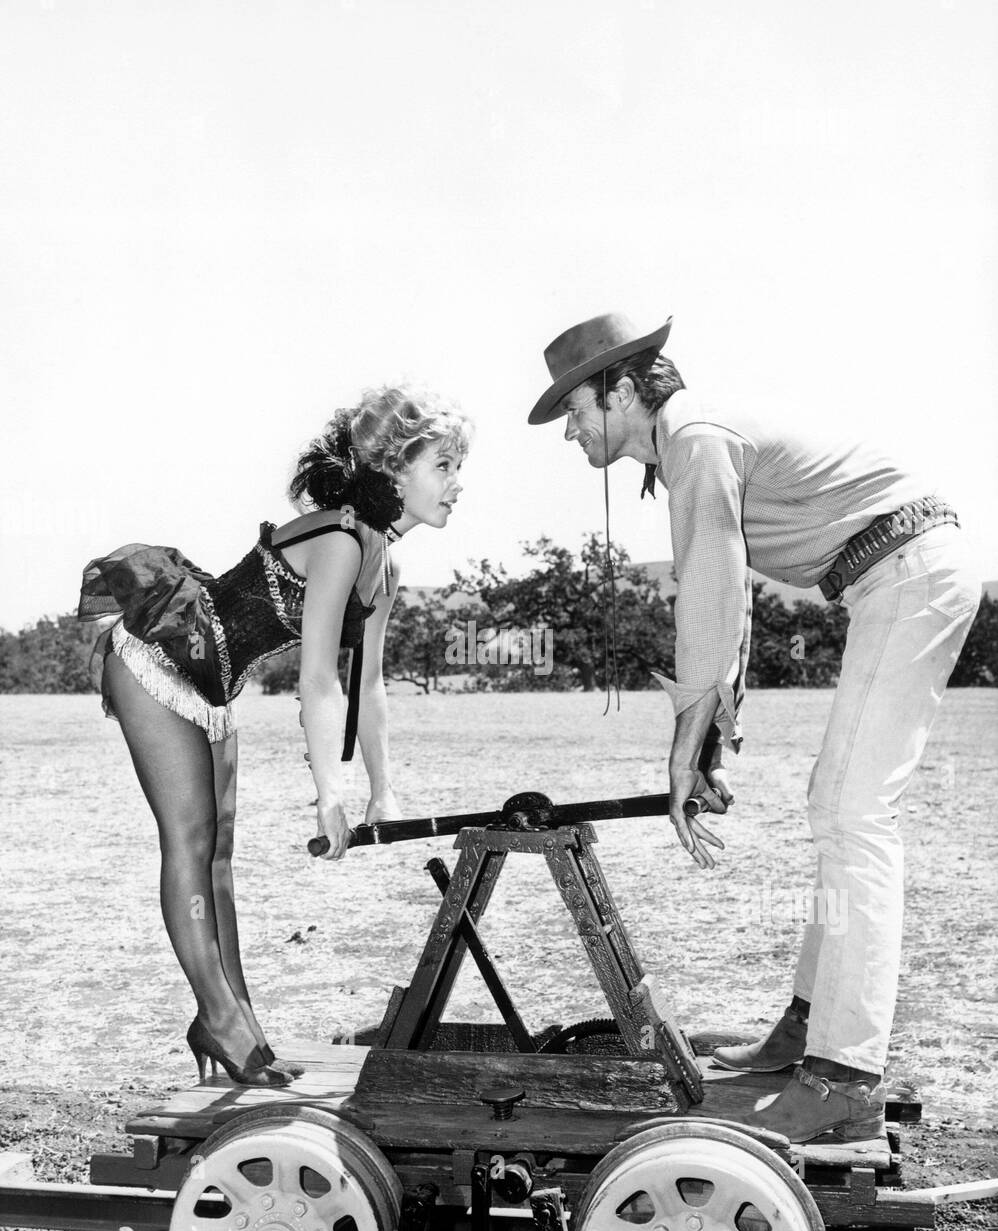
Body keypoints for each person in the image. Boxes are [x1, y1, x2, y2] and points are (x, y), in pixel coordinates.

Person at [528, 313, 981, 1143]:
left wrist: (684, 751)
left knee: (852, 815)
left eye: (576, 410)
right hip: (892, 574)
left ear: (623, 390)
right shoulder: (683, 447)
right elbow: (725, 604)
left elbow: (712, 594)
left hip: (908, 570)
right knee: (837, 806)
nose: (570, 432)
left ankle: (845, 1078)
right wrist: (713, 745)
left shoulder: (695, 438)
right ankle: (808, 1031)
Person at [78, 384, 471, 1087]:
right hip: (156, 657)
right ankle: (223, 1022)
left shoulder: (382, 563)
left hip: (208, 681)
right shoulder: (342, 541)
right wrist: (329, 796)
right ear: (392, 471)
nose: (456, 484)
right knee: (192, 844)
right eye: (443, 466)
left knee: (219, 859)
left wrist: (384, 792)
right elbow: (318, 682)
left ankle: (231, 1020)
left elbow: (368, 688)